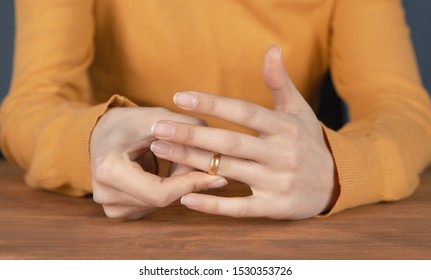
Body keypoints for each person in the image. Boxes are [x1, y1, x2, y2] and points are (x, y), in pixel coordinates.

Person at [1, 0, 430, 220]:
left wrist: (338, 168)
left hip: (285, 227)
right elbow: (31, 103)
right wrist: (93, 140)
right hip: (133, 227)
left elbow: (404, 110)